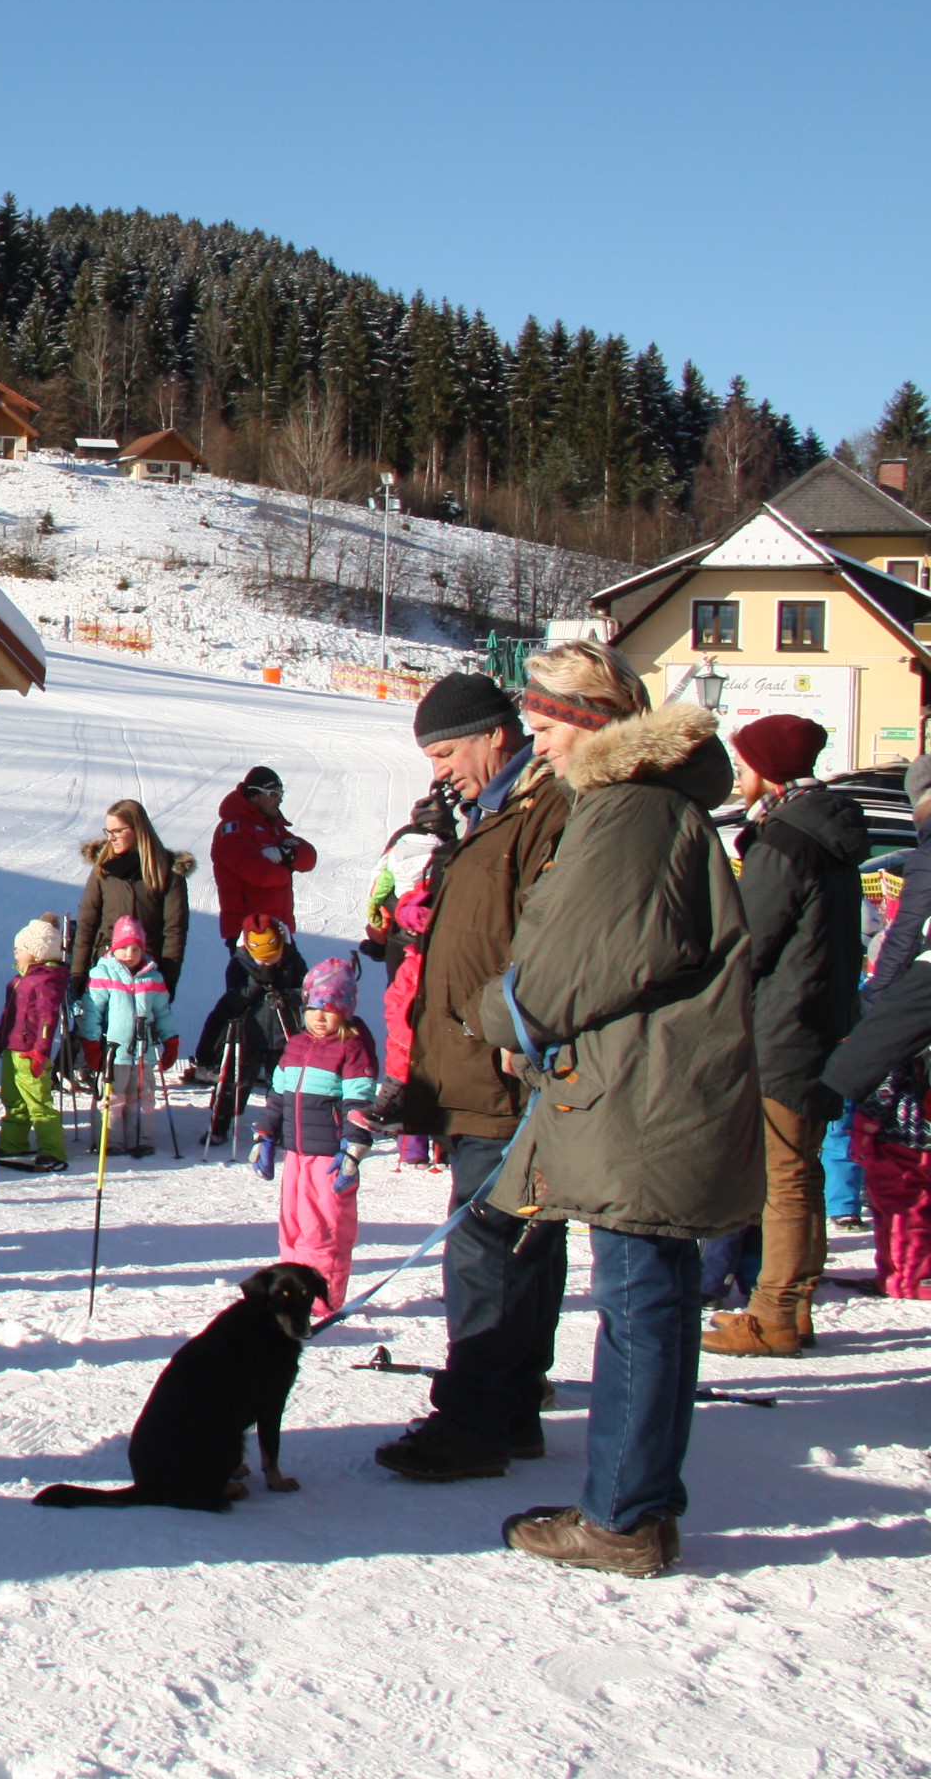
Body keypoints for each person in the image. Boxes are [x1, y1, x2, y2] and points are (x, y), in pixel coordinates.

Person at [474, 643, 759, 1578]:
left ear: (590, 722)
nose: (537, 744)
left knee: (638, 1301)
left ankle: (622, 1519)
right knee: (654, 1297)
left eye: (545, 726)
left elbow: (572, 966)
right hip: (651, 1081)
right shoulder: (649, 804)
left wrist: (493, 1012)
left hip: (643, 1089)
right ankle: (636, 1506)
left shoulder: (630, 811)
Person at [374, 670, 576, 1485]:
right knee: (515, 1239)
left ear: (497, 735)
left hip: (505, 1071)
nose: (440, 772)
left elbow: (546, 944)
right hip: (473, 1066)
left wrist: (507, 1033)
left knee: (487, 1245)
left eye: (448, 753)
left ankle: (476, 1421)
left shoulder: (545, 809)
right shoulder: (495, 811)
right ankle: (510, 1407)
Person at [705, 713, 866, 1358]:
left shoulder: (786, 839)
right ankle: (792, 1308)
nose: (738, 777)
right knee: (801, 1170)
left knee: (783, 1177)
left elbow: (751, 940)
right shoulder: (826, 832)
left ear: (767, 771)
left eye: (744, 765)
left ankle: (772, 1313)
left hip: (784, 1026)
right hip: (822, 1021)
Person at [256, 959, 377, 1316]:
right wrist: (265, 1135)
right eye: (314, 1008)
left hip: (329, 1158)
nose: (320, 1017)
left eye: (331, 1009)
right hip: (296, 1154)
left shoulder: (352, 1049)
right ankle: (291, 1294)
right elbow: (278, 1096)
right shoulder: (295, 1045)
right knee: (292, 1226)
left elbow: (358, 1103)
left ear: (346, 1011)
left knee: (323, 1230)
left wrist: (353, 1148)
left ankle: (322, 1300)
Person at [363, 790, 460, 1170]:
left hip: (402, 940)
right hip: (439, 940)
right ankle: (443, 1140)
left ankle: (411, 1140)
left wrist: (378, 932)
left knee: (402, 1026)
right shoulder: (451, 851)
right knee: (442, 1030)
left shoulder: (398, 847)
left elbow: (378, 891)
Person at [822, 983, 931, 1299]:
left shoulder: (900, 1033)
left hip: (902, 1137)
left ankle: (907, 1279)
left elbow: (883, 1089)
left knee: (900, 1210)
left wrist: (864, 1130)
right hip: (922, 1135)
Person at [196, 917, 307, 1148]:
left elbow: (306, 990)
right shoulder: (239, 963)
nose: (268, 962)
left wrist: (287, 997)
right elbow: (233, 999)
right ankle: (218, 1126)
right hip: (248, 1033)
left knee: (282, 1084)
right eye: (262, 959)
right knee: (235, 1082)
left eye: (273, 957)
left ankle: (280, 1128)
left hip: (283, 1032)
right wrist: (255, 982)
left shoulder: (293, 959)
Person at [77, 914, 177, 1156]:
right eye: (123, 948)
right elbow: (92, 1012)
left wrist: (170, 1040)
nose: (129, 954)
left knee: (142, 1098)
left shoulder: (153, 977)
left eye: (135, 949)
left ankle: (140, 1140)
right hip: (113, 1052)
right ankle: (109, 1141)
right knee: (111, 1097)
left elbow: (162, 1012)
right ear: (114, 948)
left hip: (144, 1051)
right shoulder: (103, 974)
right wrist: (91, 1043)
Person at [71, 799, 194, 995]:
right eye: (108, 831)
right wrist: (77, 974)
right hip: (104, 973)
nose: (111, 837)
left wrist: (168, 981)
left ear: (137, 829)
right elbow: (87, 925)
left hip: (147, 975)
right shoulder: (103, 869)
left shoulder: (167, 871)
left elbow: (174, 931)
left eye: (118, 831)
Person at [0, 915, 73, 1168]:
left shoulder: (45, 981)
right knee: (13, 1100)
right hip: (11, 1050)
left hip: (30, 1053)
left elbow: (47, 1020)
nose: (15, 953)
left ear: (36, 953)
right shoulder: (18, 981)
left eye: (20, 949)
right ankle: (13, 1142)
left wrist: (40, 1051)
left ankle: (53, 1149)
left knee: (38, 1102)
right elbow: (6, 1019)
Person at [210, 766, 318, 945]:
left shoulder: (273, 828)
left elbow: (309, 858)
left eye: (281, 794)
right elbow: (262, 874)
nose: (279, 800)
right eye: (274, 794)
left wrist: (287, 855)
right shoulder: (232, 829)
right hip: (250, 933)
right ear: (255, 795)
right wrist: (287, 868)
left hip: (279, 928)